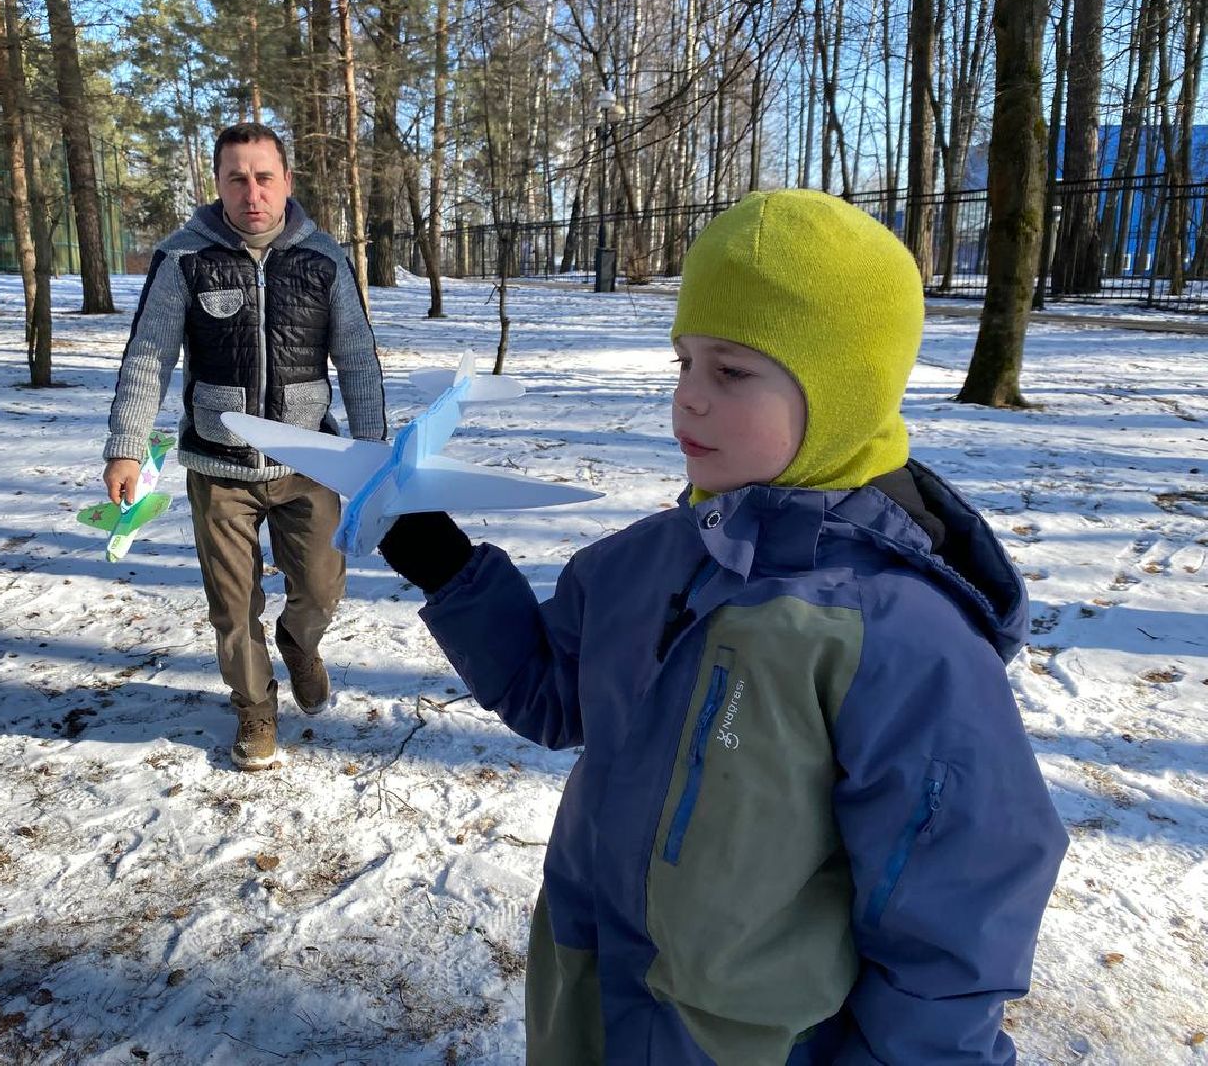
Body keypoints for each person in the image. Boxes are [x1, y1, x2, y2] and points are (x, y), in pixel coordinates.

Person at [376, 190, 1067, 1063]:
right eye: (684, 363)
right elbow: (551, 692)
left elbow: (958, 900)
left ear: (842, 392)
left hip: (750, 1042)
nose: (687, 400)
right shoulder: (646, 561)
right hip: (589, 996)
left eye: (732, 372)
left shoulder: (897, 635)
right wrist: (450, 570)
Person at [103, 122, 385, 772]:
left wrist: (373, 451)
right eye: (237, 178)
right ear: (218, 184)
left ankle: (300, 643)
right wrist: (125, 446)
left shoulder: (324, 259)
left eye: (263, 177)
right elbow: (149, 356)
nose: (251, 192)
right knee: (232, 607)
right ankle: (255, 707)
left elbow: (357, 358)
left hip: (308, 460)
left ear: (287, 181)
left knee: (322, 590)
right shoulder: (184, 258)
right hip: (218, 466)